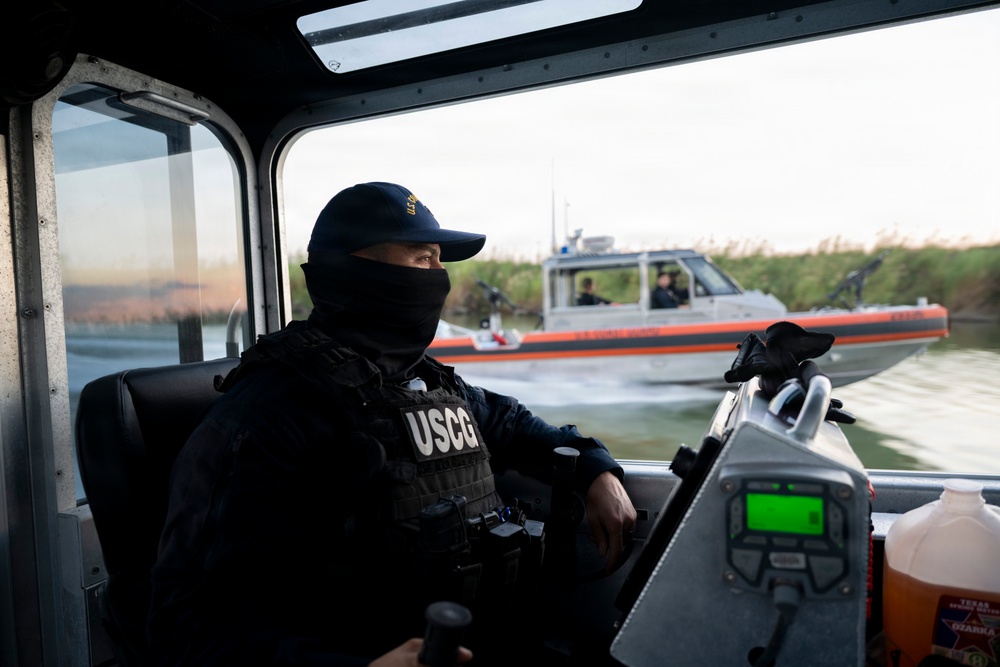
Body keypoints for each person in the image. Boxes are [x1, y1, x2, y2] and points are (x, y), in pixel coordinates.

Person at [148, 182, 637, 667]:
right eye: (423, 259)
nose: (439, 276)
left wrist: (595, 469)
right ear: (355, 272)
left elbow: (511, 423)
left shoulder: (420, 380)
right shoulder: (266, 413)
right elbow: (186, 627)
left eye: (440, 261)